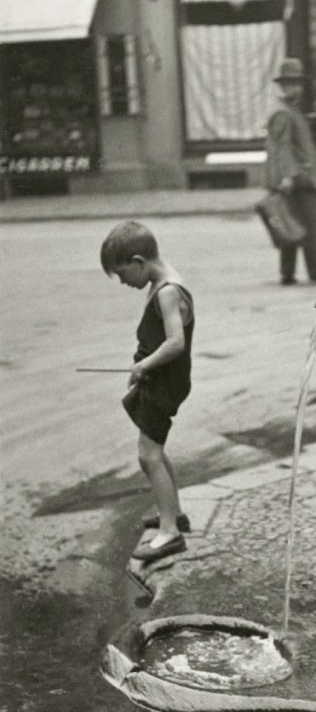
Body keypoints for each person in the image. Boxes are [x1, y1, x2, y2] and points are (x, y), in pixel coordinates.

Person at [100, 220, 194, 564]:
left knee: (148, 455)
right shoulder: (164, 280)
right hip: (163, 379)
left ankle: (170, 534)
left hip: (164, 382)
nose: (124, 282)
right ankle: (175, 514)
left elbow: (175, 343)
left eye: (123, 274)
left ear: (139, 262)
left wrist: (143, 366)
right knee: (155, 449)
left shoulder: (167, 292)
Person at [264, 57, 316, 286]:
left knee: (290, 223)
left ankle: (287, 273)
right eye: (291, 83)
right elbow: (281, 147)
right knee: (312, 225)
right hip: (298, 178)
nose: (296, 88)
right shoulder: (283, 112)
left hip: (298, 177)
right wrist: (288, 176)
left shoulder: (291, 110)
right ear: (282, 85)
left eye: (298, 83)